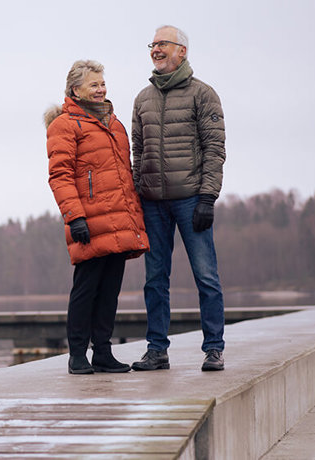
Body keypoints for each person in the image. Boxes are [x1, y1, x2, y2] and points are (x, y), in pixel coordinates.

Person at [130, 25, 227, 372]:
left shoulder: (203, 94)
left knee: (206, 276)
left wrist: (207, 197)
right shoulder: (143, 98)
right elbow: (137, 151)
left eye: (162, 44)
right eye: (152, 44)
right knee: (155, 280)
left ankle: (214, 348)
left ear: (181, 51)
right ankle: (157, 350)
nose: (155, 49)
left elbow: (215, 149)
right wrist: (137, 194)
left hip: (191, 201)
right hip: (153, 203)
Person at [44, 59, 150, 375]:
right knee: (85, 290)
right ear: (75, 90)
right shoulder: (64, 125)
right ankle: (77, 355)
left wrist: (133, 216)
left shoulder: (114, 125)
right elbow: (59, 175)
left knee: (109, 291)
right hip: (89, 221)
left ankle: (103, 353)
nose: (101, 89)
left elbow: (122, 175)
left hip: (119, 218)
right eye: (94, 84)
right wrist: (74, 217)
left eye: (102, 83)